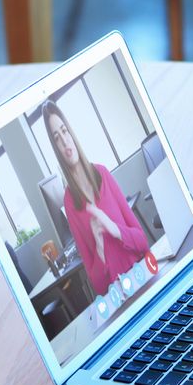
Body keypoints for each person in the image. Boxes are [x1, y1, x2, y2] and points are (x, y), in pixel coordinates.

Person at [41, 100, 150, 296]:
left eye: (65, 131)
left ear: (72, 134)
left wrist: (115, 229)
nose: (64, 141)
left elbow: (143, 241)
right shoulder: (69, 203)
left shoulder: (103, 174)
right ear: (56, 149)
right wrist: (99, 248)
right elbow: (98, 286)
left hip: (143, 279)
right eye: (57, 138)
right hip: (121, 298)